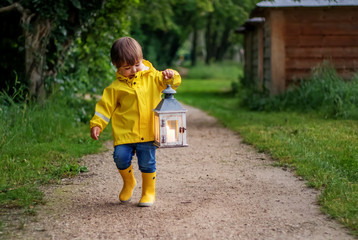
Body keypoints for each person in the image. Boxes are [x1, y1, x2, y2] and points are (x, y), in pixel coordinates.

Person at [90, 37, 181, 207]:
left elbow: (173, 83)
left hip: (147, 132)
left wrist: (171, 75)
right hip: (125, 133)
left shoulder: (154, 77)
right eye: (127, 67)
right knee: (120, 158)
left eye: (137, 65)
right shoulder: (115, 88)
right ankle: (129, 182)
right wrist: (97, 124)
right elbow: (104, 108)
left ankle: (148, 191)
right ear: (116, 66)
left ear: (141, 59)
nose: (133, 70)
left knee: (147, 162)